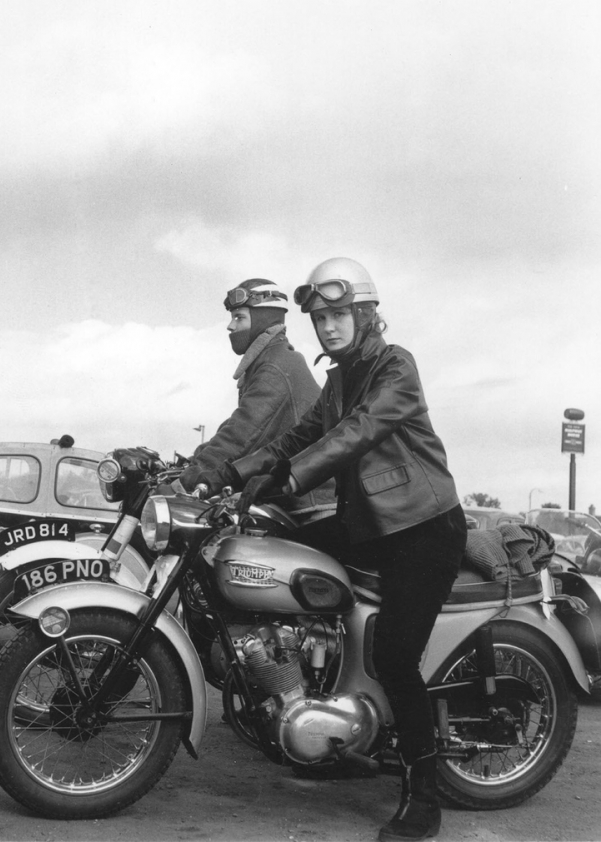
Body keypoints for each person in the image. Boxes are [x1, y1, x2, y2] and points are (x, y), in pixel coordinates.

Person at [203, 258, 466, 842]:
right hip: (368, 524)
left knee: (396, 658)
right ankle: (299, 692)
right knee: (271, 548)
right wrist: (230, 473)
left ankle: (423, 796)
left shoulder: (395, 366)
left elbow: (355, 434)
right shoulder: (339, 379)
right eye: (320, 317)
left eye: (339, 313)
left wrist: (292, 478)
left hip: (422, 530)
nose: (328, 326)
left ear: (367, 313)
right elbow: (300, 436)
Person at [176, 278, 335, 527]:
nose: (230, 326)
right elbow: (236, 426)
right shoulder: (270, 360)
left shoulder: (275, 366)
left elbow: (243, 434)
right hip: (293, 497)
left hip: (310, 508)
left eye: (239, 317)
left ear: (262, 320)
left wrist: (188, 479)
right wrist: (193, 460)